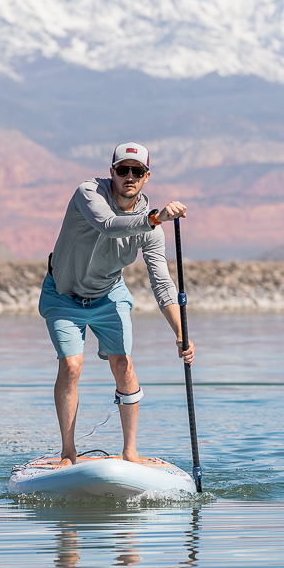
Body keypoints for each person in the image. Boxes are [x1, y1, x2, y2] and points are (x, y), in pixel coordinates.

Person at [39, 141, 195, 467]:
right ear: (112, 172)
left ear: (146, 177)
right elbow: (108, 226)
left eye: (136, 171)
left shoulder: (151, 229)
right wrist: (155, 218)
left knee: (123, 364)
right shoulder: (88, 193)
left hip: (110, 295)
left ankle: (130, 452)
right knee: (71, 366)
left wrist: (181, 334)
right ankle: (68, 453)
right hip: (63, 296)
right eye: (122, 170)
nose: (129, 176)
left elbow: (162, 284)